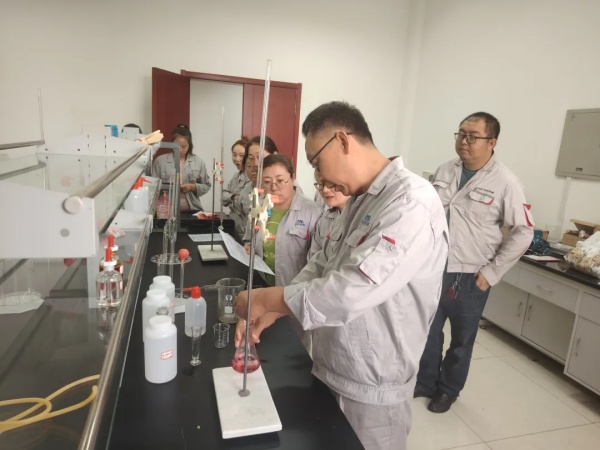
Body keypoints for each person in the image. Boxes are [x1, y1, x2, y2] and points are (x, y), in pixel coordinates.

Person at [233, 101, 448, 450]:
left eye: (316, 162)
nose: (320, 178)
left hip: (372, 384)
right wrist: (274, 310)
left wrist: (269, 297)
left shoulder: (410, 203)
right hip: (331, 363)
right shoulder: (360, 199)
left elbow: (351, 290)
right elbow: (323, 263)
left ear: (342, 141)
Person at [415, 112, 534, 414]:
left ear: (492, 142)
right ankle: (425, 382)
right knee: (428, 331)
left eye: (472, 136)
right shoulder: (445, 169)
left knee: (462, 340)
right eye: (460, 134)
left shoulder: (506, 182)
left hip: (471, 275)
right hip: (434, 268)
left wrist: (490, 273)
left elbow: (523, 232)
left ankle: (448, 390)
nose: (464, 141)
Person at [243, 154, 321, 287]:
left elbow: (317, 261)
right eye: (267, 182)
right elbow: (248, 238)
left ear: (292, 177)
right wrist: (249, 247)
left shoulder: (312, 212)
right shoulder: (259, 206)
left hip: (294, 288)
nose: (274, 187)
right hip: (262, 282)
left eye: (280, 180)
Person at [151, 124, 211, 212]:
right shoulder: (160, 161)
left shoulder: (198, 162)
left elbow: (206, 185)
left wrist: (192, 187)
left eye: (184, 147)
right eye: (177, 146)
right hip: (166, 210)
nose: (180, 150)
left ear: (189, 146)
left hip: (191, 209)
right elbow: (152, 187)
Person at [230, 136, 278, 238]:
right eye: (251, 159)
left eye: (260, 157)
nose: (255, 164)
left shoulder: (286, 187)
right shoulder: (247, 191)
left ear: (275, 155)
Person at [308, 170, 350, 259]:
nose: (325, 190)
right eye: (321, 184)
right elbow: (313, 257)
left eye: (330, 184)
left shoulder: (362, 217)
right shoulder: (325, 219)